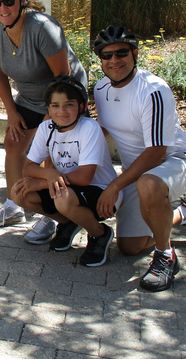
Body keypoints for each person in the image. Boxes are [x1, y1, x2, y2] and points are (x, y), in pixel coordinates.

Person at [92, 25, 186, 291]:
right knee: (130, 247)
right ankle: (185, 212)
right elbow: (102, 130)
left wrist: (115, 186)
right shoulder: (100, 89)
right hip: (139, 172)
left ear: (135, 53)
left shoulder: (153, 90)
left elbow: (157, 152)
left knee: (148, 184)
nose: (114, 60)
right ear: (100, 60)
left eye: (121, 52)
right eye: (107, 55)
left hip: (177, 161)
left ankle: (166, 256)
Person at [0, 0, 88, 248]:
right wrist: (12, 112)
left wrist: (47, 122)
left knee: (48, 154)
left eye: (8, 1)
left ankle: (53, 215)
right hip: (29, 97)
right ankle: (13, 205)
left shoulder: (43, 28)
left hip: (64, 97)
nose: (2, 9)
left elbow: (63, 81)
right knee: (13, 142)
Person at [11, 76, 118, 266]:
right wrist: (49, 174)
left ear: (82, 106)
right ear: (48, 109)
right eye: (55, 105)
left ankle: (100, 234)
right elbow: (28, 167)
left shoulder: (89, 128)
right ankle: (69, 222)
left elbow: (85, 177)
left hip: (101, 192)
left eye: (69, 104)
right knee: (19, 192)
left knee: (62, 197)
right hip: (67, 187)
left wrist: (44, 181)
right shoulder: (46, 128)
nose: (61, 111)